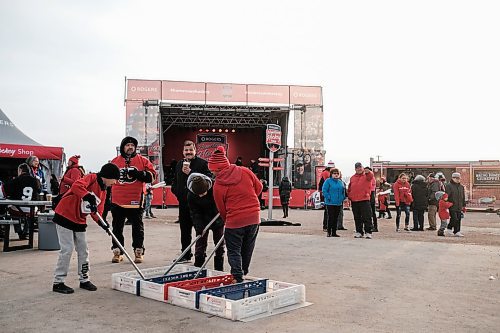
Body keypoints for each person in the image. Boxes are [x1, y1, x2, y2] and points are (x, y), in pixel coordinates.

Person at [52, 163, 120, 294]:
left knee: (83, 250)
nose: (115, 182)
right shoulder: (92, 177)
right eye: (115, 179)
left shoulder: (104, 190)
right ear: (108, 176)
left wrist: (102, 223)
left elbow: (97, 211)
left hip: (79, 219)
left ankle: (84, 279)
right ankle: (58, 282)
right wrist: (87, 195)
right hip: (65, 215)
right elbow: (77, 186)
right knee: (67, 249)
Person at [209, 146, 263, 283]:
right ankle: (243, 271)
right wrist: (250, 201)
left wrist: (228, 220)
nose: (212, 173)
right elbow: (259, 187)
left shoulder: (218, 185)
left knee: (234, 250)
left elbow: (221, 208)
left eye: (212, 170)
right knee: (247, 248)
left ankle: (237, 276)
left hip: (234, 221)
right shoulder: (245, 171)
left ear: (217, 169)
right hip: (254, 217)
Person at [110, 136, 157, 264]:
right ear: (123, 147)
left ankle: (138, 251)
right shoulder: (114, 161)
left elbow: (152, 176)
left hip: (136, 200)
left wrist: (139, 174)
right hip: (118, 200)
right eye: (127, 145)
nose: (130, 147)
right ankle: (117, 251)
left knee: (137, 228)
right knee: (117, 228)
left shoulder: (143, 161)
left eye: (132, 145)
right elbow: (107, 180)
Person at [171, 140, 210, 262]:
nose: (188, 152)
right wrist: (177, 193)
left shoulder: (203, 164)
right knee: (185, 230)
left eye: (190, 150)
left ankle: (200, 255)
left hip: (199, 204)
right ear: (183, 152)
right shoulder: (179, 164)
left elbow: (208, 180)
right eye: (186, 150)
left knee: (200, 230)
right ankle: (186, 254)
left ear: (195, 151)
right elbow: (175, 181)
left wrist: (191, 173)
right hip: (183, 203)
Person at [187, 173, 225, 271]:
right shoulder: (191, 195)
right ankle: (198, 266)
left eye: (203, 192)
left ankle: (219, 268)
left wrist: (220, 216)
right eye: (198, 194)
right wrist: (199, 227)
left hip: (217, 217)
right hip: (202, 218)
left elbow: (222, 202)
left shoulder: (215, 188)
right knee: (200, 242)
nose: (201, 195)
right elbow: (195, 212)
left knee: (219, 243)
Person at [4, 163, 41, 239]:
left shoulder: (15, 180)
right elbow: (39, 191)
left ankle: (19, 231)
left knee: (10, 207)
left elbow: (5, 190)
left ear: (20, 170)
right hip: (32, 210)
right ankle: (26, 231)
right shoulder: (36, 180)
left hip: (17, 209)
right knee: (30, 214)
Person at [347, 162, 374, 239]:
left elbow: (371, 176)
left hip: (364, 199)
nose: (358, 169)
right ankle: (359, 231)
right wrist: (350, 196)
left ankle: (368, 232)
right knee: (357, 217)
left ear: (362, 167)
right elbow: (350, 187)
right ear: (355, 169)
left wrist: (368, 171)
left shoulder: (367, 176)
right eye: (357, 167)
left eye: (360, 167)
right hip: (354, 200)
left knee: (367, 216)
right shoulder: (352, 177)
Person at [322, 168, 346, 237]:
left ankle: (334, 232)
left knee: (336, 218)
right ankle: (329, 231)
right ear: (331, 174)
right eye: (334, 173)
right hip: (330, 203)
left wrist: (343, 197)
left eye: (337, 173)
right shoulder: (328, 181)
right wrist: (328, 197)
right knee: (331, 217)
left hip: (338, 203)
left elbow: (343, 191)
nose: (336, 175)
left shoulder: (340, 182)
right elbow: (324, 190)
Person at [445, 172, 466, 237]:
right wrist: (447, 203)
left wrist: (463, 205)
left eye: (458, 178)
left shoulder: (461, 187)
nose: (457, 179)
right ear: (452, 178)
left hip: (459, 205)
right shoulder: (448, 186)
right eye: (456, 178)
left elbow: (463, 196)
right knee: (454, 218)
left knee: (459, 218)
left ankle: (457, 231)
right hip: (452, 205)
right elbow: (446, 195)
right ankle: (449, 228)